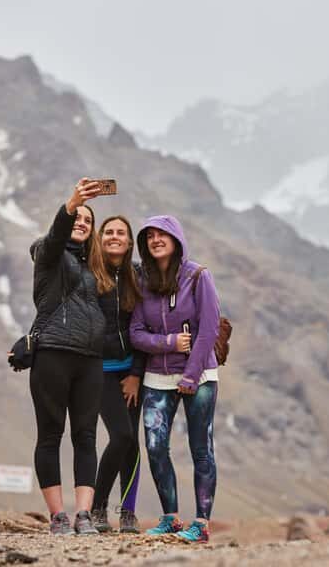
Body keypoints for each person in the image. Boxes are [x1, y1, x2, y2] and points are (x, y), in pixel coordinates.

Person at [130, 215, 220, 544]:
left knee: (201, 450)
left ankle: (202, 523)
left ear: (176, 239)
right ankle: (170, 518)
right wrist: (167, 343)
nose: (155, 240)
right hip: (158, 374)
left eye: (161, 234)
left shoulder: (198, 276)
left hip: (199, 375)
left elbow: (209, 329)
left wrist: (192, 375)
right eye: (149, 236)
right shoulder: (144, 283)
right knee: (155, 446)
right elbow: (136, 332)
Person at [28, 178, 107, 535]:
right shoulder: (48, 254)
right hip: (53, 355)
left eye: (88, 222)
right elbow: (57, 234)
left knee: (86, 437)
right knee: (50, 435)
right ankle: (58, 516)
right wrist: (72, 203)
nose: (82, 224)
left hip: (90, 360)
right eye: (78, 219)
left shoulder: (96, 269)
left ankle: (84, 515)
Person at [90, 215, 145, 533]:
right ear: (100, 237)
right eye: (108, 232)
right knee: (121, 436)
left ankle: (128, 513)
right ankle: (98, 508)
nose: (114, 236)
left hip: (130, 373)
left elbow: (143, 326)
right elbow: (40, 249)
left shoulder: (138, 275)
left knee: (132, 442)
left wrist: (136, 373)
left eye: (120, 233)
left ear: (128, 242)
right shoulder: (88, 272)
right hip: (99, 372)